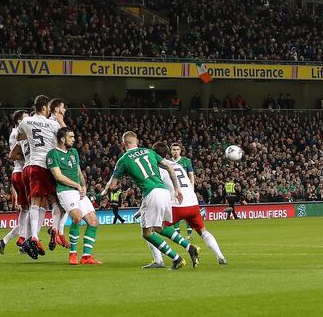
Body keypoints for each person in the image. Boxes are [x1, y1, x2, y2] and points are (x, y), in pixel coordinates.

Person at [101, 131, 199, 270]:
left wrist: (103, 193)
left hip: (151, 193)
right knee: (159, 227)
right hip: (164, 191)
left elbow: (111, 186)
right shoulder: (149, 151)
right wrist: (177, 188)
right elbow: (169, 167)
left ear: (123, 144)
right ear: (137, 141)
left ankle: (176, 258)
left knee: (146, 232)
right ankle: (189, 247)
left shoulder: (123, 159)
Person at [145, 142, 227, 267]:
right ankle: (221, 257)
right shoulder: (177, 165)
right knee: (203, 231)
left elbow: (159, 188)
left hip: (177, 204)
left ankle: (159, 260)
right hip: (193, 203)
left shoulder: (158, 167)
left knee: (150, 229)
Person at [16, 96, 66, 258]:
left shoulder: (26, 122)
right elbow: (65, 139)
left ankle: (34, 238)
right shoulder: (52, 124)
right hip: (46, 166)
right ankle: (54, 230)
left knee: (34, 203)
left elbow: (18, 137)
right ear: (45, 109)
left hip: (29, 167)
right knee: (56, 202)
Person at [47, 127, 101, 265]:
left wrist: (83, 186)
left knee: (93, 221)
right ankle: (73, 254)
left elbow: (78, 172)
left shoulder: (74, 152)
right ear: (62, 139)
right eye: (71, 137)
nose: (74, 139)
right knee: (76, 216)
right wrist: (76, 186)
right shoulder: (52, 154)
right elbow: (58, 177)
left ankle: (86, 256)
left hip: (78, 190)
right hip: (65, 190)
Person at [0, 110, 29, 255]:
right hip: (23, 172)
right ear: (18, 121)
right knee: (33, 210)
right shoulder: (18, 134)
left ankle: (8, 240)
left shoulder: (15, 133)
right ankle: (25, 242)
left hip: (18, 173)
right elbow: (15, 155)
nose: (29, 119)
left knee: (27, 211)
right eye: (25, 117)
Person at [169, 143, 194, 238]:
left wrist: (192, 187)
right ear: (171, 151)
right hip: (173, 190)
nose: (175, 151)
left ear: (180, 151)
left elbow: (191, 174)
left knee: (188, 211)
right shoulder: (168, 162)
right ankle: (177, 233)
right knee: (176, 211)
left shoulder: (186, 161)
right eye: (173, 149)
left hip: (186, 189)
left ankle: (189, 234)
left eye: (177, 149)